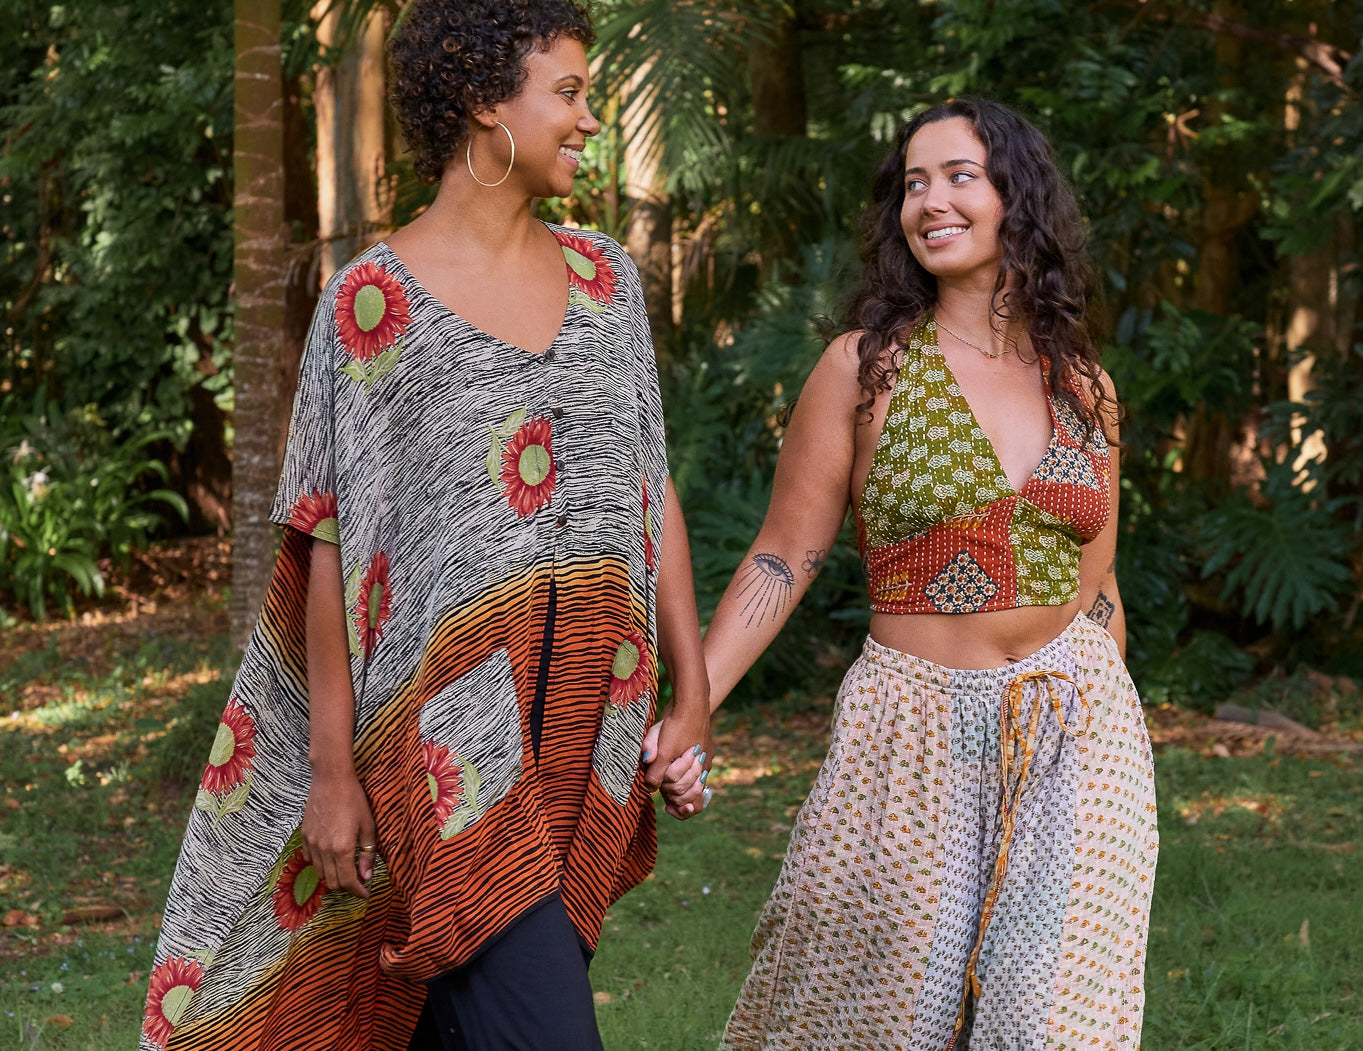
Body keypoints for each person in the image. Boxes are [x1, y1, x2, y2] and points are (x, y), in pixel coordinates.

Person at [142, 3, 711, 1049]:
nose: (590, 119)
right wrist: (327, 772)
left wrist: (695, 685)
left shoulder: (607, 282)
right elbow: (327, 540)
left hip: (590, 719)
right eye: (571, 93)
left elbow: (650, 483)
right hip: (447, 740)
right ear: (489, 104)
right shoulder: (371, 304)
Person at [666, 98, 1159, 1048]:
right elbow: (783, 553)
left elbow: (1097, 591)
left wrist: (1118, 753)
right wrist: (698, 702)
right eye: (912, 182)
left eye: (958, 175)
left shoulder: (1083, 383)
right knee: (882, 1019)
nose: (928, 200)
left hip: (1075, 730)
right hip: (913, 727)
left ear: (1017, 196)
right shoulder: (865, 369)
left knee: (1042, 1024)